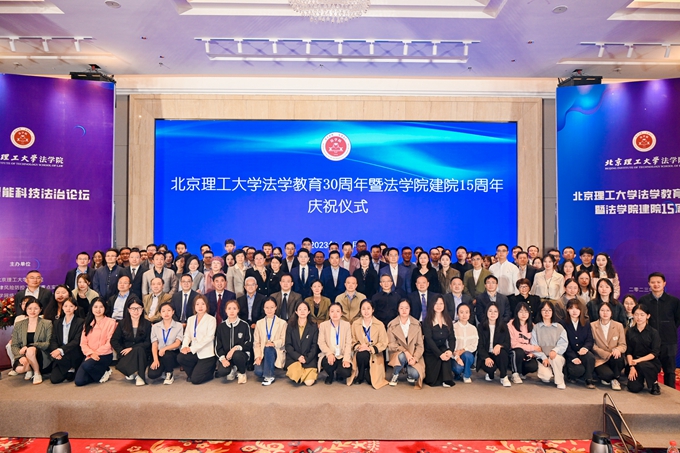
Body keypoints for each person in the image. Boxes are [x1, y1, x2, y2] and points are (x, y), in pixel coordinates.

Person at [637, 272, 680, 389]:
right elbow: (641, 317)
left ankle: (671, 393)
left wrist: (669, 328)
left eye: (658, 282)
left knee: (669, 370)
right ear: (649, 284)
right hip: (649, 340)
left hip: (669, 340)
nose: (656, 284)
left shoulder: (674, 301)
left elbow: (677, 319)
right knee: (651, 367)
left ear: (664, 283)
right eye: (653, 282)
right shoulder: (644, 300)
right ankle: (653, 388)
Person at [75, 298, 117, 386]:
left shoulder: (111, 322)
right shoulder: (87, 323)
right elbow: (83, 343)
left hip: (104, 354)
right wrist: (90, 353)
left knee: (86, 366)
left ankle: (103, 371)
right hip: (90, 354)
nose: (98, 310)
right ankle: (103, 371)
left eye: (101, 307)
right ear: (91, 308)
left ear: (105, 308)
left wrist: (96, 353)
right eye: (95, 307)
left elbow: (109, 343)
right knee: (79, 381)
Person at [11, 297, 53, 384]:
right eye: (30, 308)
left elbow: (48, 343)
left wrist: (29, 346)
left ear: (40, 309)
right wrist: (21, 356)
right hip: (24, 354)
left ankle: (37, 373)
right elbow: (14, 345)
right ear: (25, 309)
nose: (32, 311)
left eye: (36, 308)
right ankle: (30, 369)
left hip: (41, 355)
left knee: (30, 350)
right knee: (19, 369)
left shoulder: (47, 323)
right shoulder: (19, 324)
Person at [348, 299, 389, 388]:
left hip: (375, 354)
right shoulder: (355, 324)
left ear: (373, 310)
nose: (366, 311)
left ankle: (368, 372)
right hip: (360, 352)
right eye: (363, 309)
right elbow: (351, 340)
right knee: (362, 354)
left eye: (368, 308)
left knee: (372, 380)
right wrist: (359, 346)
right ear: (360, 310)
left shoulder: (379, 324)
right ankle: (361, 374)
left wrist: (370, 348)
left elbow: (384, 342)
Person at [177, 295, 217, 384]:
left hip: (206, 354)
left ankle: (209, 372)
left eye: (203, 304)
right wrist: (184, 347)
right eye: (197, 304)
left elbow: (209, 337)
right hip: (194, 352)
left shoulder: (211, 319)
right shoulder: (191, 319)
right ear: (194, 306)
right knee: (181, 357)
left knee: (196, 380)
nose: (200, 307)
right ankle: (193, 373)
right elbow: (187, 335)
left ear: (207, 306)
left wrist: (191, 348)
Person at [111, 297, 152, 386]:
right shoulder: (122, 323)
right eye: (133, 309)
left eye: (138, 308)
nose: (136, 311)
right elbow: (114, 340)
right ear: (128, 310)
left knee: (139, 350)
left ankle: (140, 376)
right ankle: (131, 371)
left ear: (142, 309)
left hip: (143, 354)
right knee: (138, 350)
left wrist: (132, 348)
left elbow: (148, 342)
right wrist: (121, 351)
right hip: (127, 354)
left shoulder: (147, 324)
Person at [386, 299, 425, 388]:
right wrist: (405, 351)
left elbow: (420, 345)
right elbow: (391, 345)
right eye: (401, 308)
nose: (404, 310)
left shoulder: (416, 324)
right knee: (402, 356)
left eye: (406, 308)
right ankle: (395, 374)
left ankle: (408, 371)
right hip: (398, 354)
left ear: (410, 309)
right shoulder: (392, 325)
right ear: (398, 309)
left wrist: (415, 358)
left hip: (413, 355)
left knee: (415, 374)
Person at [530, 300, 568, 389]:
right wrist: (544, 357)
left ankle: (560, 381)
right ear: (540, 312)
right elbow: (534, 346)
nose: (546, 312)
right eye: (544, 310)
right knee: (545, 377)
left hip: (556, 356)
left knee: (555, 359)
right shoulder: (536, 328)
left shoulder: (559, 327)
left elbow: (563, 344)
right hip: (542, 358)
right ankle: (551, 371)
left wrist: (555, 350)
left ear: (553, 312)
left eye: (549, 310)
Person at [626, 304, 662, 395]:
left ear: (648, 316)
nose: (639, 317)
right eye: (636, 314)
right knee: (633, 388)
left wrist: (637, 361)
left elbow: (655, 353)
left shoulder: (653, 332)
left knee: (643, 365)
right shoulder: (630, 331)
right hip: (634, 362)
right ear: (633, 315)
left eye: (642, 315)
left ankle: (654, 383)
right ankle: (641, 379)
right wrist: (632, 367)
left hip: (650, 363)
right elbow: (629, 351)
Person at [591, 302, 627, 391]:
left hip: (614, 357)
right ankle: (611, 377)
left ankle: (615, 380)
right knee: (607, 375)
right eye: (602, 310)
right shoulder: (592, 325)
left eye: (608, 310)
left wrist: (617, 349)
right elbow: (592, 344)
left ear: (611, 312)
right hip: (600, 358)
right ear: (598, 312)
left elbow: (623, 345)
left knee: (619, 358)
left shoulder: (618, 326)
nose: (605, 313)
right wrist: (605, 354)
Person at [215, 300, 252, 384]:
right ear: (226, 310)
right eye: (229, 308)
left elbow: (249, 343)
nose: (232, 311)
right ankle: (233, 368)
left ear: (238, 310)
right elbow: (218, 346)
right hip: (227, 357)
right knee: (222, 372)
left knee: (237, 355)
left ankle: (242, 372)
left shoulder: (244, 325)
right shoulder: (221, 327)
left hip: (241, 355)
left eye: (234, 308)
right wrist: (223, 359)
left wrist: (235, 348)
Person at [48, 298, 85, 384]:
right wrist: (56, 351)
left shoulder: (80, 322)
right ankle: (70, 368)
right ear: (62, 307)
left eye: (71, 306)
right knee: (54, 379)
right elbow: (53, 339)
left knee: (68, 375)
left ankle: (71, 367)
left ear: (75, 308)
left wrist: (60, 350)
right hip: (60, 353)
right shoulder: (57, 322)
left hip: (73, 351)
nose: (68, 308)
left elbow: (76, 341)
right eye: (66, 306)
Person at [422, 296, 456, 388]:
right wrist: (439, 354)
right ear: (432, 305)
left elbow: (452, 338)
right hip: (430, 351)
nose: (439, 306)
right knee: (432, 380)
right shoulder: (427, 321)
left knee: (446, 353)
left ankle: (447, 380)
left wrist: (450, 350)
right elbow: (429, 340)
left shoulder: (448, 320)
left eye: (441, 303)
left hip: (442, 347)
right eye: (436, 303)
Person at [562, 299, 596, 389]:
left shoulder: (586, 323)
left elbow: (590, 339)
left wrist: (585, 348)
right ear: (567, 310)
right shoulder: (563, 323)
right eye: (571, 308)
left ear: (581, 310)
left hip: (582, 351)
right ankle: (570, 376)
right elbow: (563, 343)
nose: (574, 311)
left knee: (590, 357)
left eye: (577, 309)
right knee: (578, 370)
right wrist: (573, 357)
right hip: (569, 353)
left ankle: (589, 379)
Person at [253, 297, 287, 385]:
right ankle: (269, 369)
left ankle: (269, 376)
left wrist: (273, 343)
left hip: (276, 350)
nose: (269, 310)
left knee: (269, 348)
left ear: (276, 308)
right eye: (267, 307)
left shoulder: (282, 323)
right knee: (258, 372)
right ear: (263, 308)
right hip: (262, 352)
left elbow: (284, 339)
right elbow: (256, 342)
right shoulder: (259, 323)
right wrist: (258, 356)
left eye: (272, 307)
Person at [285, 301, 319, 386]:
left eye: (305, 309)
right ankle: (301, 374)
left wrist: (306, 358)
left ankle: (302, 374)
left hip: (309, 359)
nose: (302, 311)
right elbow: (288, 345)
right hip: (294, 358)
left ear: (309, 311)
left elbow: (314, 346)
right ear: (296, 312)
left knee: (309, 383)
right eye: (300, 309)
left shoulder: (313, 326)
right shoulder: (290, 326)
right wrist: (298, 357)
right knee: (296, 375)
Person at [476, 303, 512, 387]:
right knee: (490, 368)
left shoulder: (503, 326)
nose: (493, 313)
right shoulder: (481, 327)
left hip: (498, 353)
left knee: (503, 353)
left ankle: (503, 376)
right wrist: (486, 357)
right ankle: (490, 373)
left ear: (499, 313)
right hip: (486, 354)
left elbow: (507, 344)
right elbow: (479, 346)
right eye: (490, 311)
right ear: (486, 312)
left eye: (495, 311)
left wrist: (500, 345)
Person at [148, 301, 184, 385]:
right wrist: (155, 359)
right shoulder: (155, 327)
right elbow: (154, 344)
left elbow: (177, 343)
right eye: (163, 311)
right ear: (160, 313)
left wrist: (165, 348)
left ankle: (169, 373)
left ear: (173, 312)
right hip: (159, 353)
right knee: (152, 375)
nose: (166, 313)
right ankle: (163, 369)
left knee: (167, 354)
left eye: (169, 310)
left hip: (172, 353)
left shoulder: (178, 325)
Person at [318, 303, 353, 385]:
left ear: (341, 313)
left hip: (342, 354)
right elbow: (321, 342)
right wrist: (329, 353)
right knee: (327, 363)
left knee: (346, 372)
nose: (335, 314)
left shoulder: (346, 325)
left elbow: (348, 343)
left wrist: (346, 359)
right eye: (332, 311)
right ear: (329, 313)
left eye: (337, 311)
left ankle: (338, 373)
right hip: (329, 354)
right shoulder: (323, 325)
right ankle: (330, 375)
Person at [507, 301, 538, 384]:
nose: (523, 314)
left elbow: (536, 344)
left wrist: (531, 354)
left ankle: (521, 373)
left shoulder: (533, 326)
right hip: (514, 352)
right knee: (519, 351)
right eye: (521, 311)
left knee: (533, 366)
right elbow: (513, 344)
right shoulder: (511, 324)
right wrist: (532, 348)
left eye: (526, 311)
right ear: (516, 313)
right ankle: (515, 374)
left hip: (527, 353)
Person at [452, 303, 478, 383]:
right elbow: (449, 345)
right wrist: (457, 357)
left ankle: (466, 375)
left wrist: (462, 350)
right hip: (453, 356)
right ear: (457, 314)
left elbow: (474, 345)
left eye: (467, 312)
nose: (464, 315)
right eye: (461, 312)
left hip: (466, 355)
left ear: (470, 314)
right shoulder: (453, 327)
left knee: (468, 355)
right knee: (458, 368)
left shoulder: (473, 328)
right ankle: (458, 373)